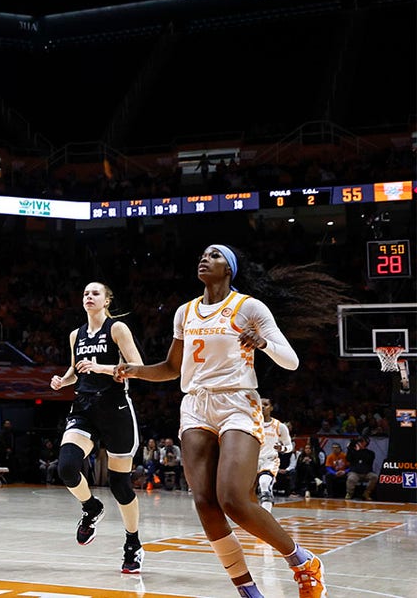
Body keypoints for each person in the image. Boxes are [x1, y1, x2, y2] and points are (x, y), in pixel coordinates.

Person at [116, 244, 334, 598]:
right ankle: (248, 590)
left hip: (237, 401)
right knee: (204, 502)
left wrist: (262, 343)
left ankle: (302, 561)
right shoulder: (185, 312)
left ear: (229, 269)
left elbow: (291, 361)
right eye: (202, 254)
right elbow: (173, 368)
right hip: (196, 405)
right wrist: (135, 371)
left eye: (215, 255)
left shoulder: (248, 307)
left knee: (233, 498)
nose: (205, 258)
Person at [49, 282, 147, 573]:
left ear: (107, 300)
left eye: (95, 293)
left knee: (120, 485)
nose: (88, 297)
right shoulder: (75, 335)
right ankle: (91, 507)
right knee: (66, 466)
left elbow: (137, 366)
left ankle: (133, 543)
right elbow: (75, 371)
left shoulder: (117, 329)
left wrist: (102, 368)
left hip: (115, 409)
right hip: (85, 408)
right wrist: (61, 381)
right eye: (85, 294)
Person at [256, 398, 292, 511]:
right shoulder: (251, 424)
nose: (262, 407)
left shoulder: (279, 426)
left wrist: (282, 448)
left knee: (265, 483)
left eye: (265, 405)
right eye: (260, 404)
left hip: (269, 461)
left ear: (271, 408)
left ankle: (266, 518)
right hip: (252, 461)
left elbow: (290, 446)